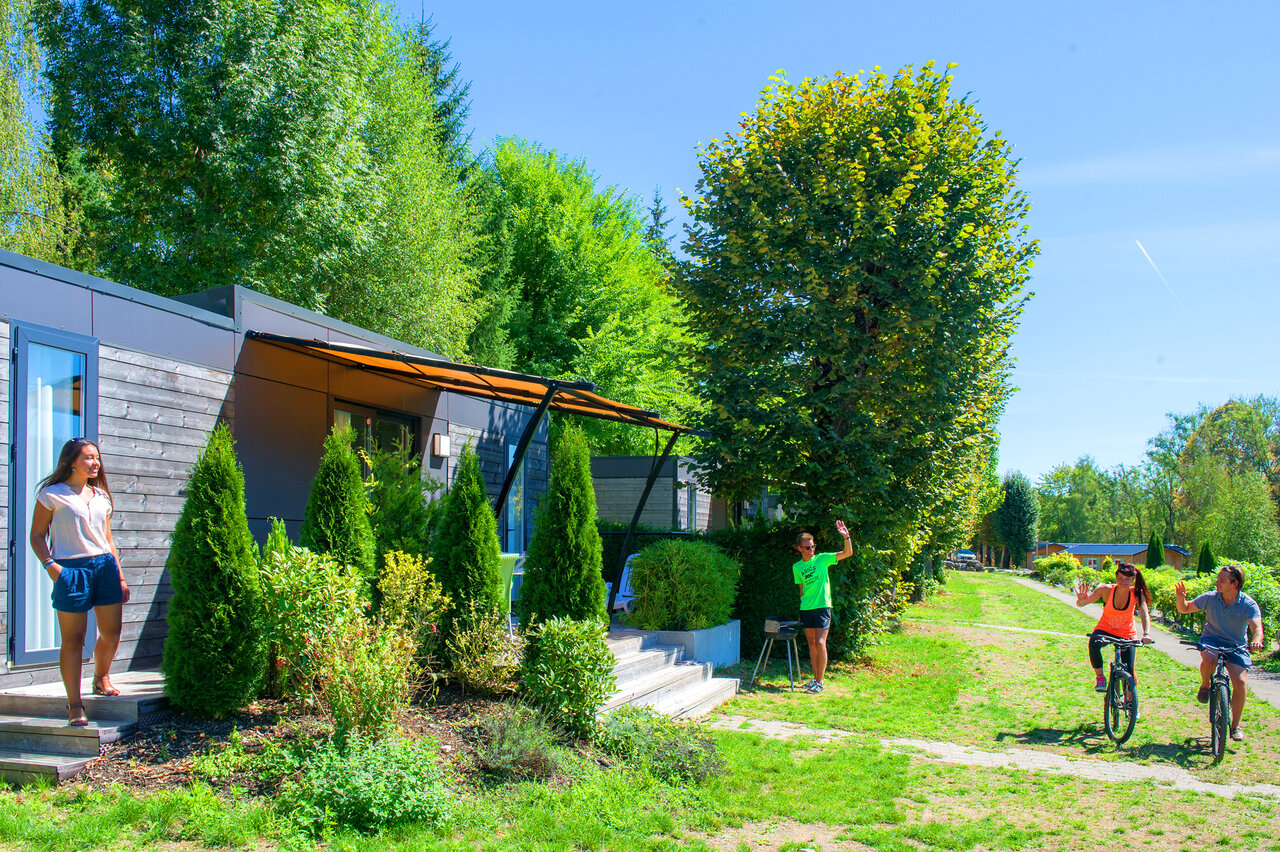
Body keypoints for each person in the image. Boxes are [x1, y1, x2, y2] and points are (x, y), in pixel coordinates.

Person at [28, 438, 130, 726]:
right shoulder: (52, 495)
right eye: (88, 457)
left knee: (112, 632)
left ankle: (101, 677)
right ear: (72, 461)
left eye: (96, 457)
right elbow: (36, 536)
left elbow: (108, 540)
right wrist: (52, 567)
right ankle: (74, 705)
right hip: (71, 569)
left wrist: (120, 576)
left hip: (105, 567)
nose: (95, 462)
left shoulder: (101, 496)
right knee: (73, 640)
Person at [1175, 565, 1265, 742]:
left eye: (1222, 580)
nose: (1217, 582)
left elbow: (1257, 628)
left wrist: (1256, 640)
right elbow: (1184, 609)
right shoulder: (1210, 597)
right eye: (1217, 579)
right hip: (1212, 640)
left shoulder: (1248, 604)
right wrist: (1181, 598)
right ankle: (1205, 684)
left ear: (1235, 584)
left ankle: (1235, 726)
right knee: (1209, 658)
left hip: (1236, 645)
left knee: (1240, 682)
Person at [792, 520, 853, 694]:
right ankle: (815, 679)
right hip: (806, 609)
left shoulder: (822, 559)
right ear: (800, 549)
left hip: (822, 607)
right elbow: (802, 590)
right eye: (808, 548)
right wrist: (802, 609)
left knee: (820, 642)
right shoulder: (797, 567)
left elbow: (848, 553)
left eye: (813, 546)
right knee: (812, 644)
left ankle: (820, 682)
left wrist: (846, 536)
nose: (811, 550)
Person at [1075, 562, 1154, 694]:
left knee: (1129, 669)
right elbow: (1081, 604)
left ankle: (1131, 699)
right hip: (1106, 629)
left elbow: (1144, 613)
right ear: (1116, 578)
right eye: (1120, 578)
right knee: (1093, 643)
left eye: (1127, 579)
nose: (1123, 582)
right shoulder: (1105, 590)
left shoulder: (1136, 593)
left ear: (1132, 580)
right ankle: (1100, 677)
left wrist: (1146, 633)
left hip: (1127, 633)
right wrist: (1081, 600)